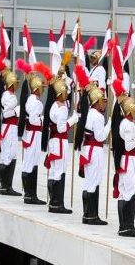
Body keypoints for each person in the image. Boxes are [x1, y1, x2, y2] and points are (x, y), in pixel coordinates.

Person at [43, 72, 78, 214]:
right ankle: (57, 204)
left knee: (53, 171)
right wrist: (73, 119)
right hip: (60, 141)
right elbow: (62, 128)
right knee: (59, 171)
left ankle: (53, 202)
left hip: (53, 141)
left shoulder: (52, 106)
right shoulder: (62, 108)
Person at [113, 95, 135, 238]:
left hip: (126, 159)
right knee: (130, 191)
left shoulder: (124, 123)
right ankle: (128, 226)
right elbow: (128, 146)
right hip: (129, 161)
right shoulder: (129, 124)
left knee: (123, 192)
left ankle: (124, 226)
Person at [76, 82, 110, 225]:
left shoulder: (88, 113)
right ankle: (92, 216)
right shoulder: (98, 116)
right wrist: (109, 125)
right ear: (97, 101)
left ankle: (87, 214)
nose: (104, 104)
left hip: (87, 150)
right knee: (94, 182)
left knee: (88, 182)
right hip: (94, 151)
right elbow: (100, 137)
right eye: (103, 101)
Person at [17, 61, 47, 205]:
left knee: (30, 162)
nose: (43, 90)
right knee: (31, 162)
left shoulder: (30, 99)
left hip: (30, 134)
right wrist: (42, 120)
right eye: (41, 88)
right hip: (34, 134)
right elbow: (34, 120)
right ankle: (30, 194)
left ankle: (30, 194)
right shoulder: (37, 102)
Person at [0, 57, 21, 195]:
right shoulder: (9, 96)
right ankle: (5, 186)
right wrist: (17, 111)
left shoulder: (8, 94)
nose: (17, 85)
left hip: (10, 128)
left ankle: (6, 185)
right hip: (9, 127)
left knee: (11, 154)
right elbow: (7, 113)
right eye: (15, 83)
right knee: (8, 155)